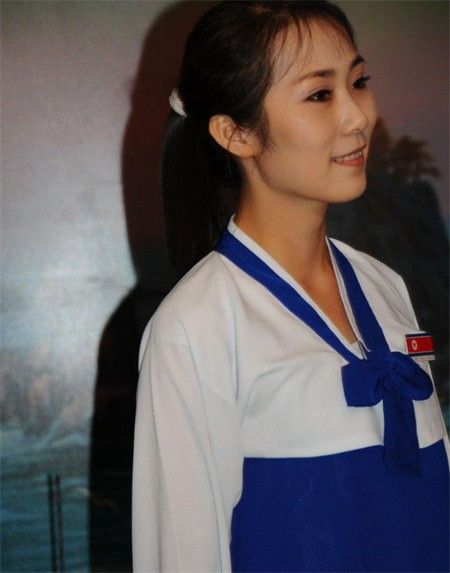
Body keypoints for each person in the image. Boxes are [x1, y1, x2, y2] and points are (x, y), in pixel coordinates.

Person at [132, 1, 450, 571]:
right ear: (236, 133)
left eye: (359, 82)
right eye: (320, 94)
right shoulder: (194, 328)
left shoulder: (384, 286)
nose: (358, 117)